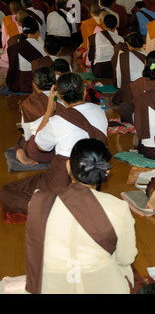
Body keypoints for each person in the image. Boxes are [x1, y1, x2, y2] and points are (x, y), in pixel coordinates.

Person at [25, 138, 138, 294]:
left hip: (52, 287)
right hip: (102, 286)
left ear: (68, 165)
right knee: (125, 268)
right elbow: (126, 258)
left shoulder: (38, 201)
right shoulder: (118, 208)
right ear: (106, 171)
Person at [0, 73, 108, 215]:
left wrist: (49, 110)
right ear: (84, 92)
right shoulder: (99, 111)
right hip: (94, 175)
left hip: (64, 176)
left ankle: (49, 208)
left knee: (6, 191)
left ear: (60, 97)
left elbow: (39, 146)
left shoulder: (57, 120)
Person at [15, 67, 57, 165]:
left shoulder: (28, 104)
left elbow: (27, 135)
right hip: (63, 151)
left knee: (21, 141)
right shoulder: (63, 99)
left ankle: (21, 153)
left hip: (38, 153)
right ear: (55, 82)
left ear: (34, 84)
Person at [6, 17, 46, 94]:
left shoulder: (16, 46)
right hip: (38, 83)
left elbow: (12, 68)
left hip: (21, 83)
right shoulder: (41, 44)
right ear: (37, 31)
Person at [112, 31, 147, 109]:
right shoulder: (147, 56)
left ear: (127, 44)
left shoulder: (122, 57)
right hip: (144, 94)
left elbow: (119, 81)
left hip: (128, 95)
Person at [88, 14, 124, 78]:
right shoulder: (120, 39)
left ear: (103, 25)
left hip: (98, 71)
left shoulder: (96, 36)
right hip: (114, 71)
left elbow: (91, 55)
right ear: (116, 25)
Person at [0, 2, 26, 67]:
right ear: (21, 8)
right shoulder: (25, 16)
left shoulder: (6, 20)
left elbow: (4, 37)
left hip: (11, 48)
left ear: (10, 9)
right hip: (25, 48)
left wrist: (4, 48)